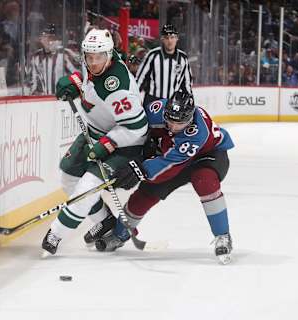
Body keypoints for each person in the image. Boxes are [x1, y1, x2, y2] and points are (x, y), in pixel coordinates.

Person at [95, 91, 235, 264]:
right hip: (172, 155)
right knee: (146, 194)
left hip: (207, 155)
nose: (173, 127)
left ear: (190, 118)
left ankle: (223, 235)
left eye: (180, 123)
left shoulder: (197, 133)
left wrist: (140, 169)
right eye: (170, 120)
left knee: (204, 181)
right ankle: (120, 233)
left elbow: (169, 163)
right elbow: (137, 131)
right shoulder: (156, 110)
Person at [41, 28, 148, 255]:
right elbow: (91, 88)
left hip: (124, 144)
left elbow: (138, 128)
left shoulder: (117, 88)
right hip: (94, 130)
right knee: (69, 177)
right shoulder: (99, 60)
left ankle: (55, 235)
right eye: (89, 57)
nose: (92, 62)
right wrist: (76, 83)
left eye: (98, 57)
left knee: (86, 188)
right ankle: (105, 221)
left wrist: (108, 143)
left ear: (108, 56)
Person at [136, 24, 193, 107]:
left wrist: (189, 99)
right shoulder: (152, 55)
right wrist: (134, 98)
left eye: (172, 37)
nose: (170, 41)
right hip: (152, 102)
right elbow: (140, 79)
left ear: (177, 38)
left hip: (173, 103)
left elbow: (187, 82)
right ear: (162, 39)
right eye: (166, 38)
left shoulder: (183, 58)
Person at [27, 23, 77, 95]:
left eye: (51, 37)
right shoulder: (36, 57)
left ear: (56, 39)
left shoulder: (65, 54)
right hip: (44, 101)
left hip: (63, 100)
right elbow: (32, 82)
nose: (48, 40)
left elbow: (78, 76)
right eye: (45, 37)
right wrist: (36, 93)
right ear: (41, 39)